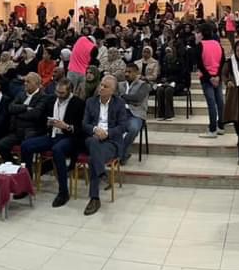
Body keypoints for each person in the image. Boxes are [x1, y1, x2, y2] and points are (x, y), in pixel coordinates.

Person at [20, 78, 85, 206]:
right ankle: (26, 184)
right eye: (57, 92)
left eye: (62, 93)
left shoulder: (78, 103)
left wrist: (67, 126)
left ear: (69, 91)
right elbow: (42, 118)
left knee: (57, 149)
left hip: (69, 138)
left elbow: (81, 129)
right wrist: (47, 123)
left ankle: (63, 192)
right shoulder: (51, 100)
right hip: (52, 135)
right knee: (26, 146)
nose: (59, 95)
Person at [82, 76, 129, 216]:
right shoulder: (90, 102)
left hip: (111, 142)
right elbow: (84, 124)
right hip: (93, 139)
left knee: (93, 159)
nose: (101, 88)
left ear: (113, 91)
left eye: (105, 86)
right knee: (93, 142)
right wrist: (95, 130)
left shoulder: (119, 103)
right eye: (101, 85)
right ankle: (101, 173)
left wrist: (107, 133)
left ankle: (95, 199)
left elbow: (123, 126)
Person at [0, 72, 51, 166]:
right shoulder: (21, 94)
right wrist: (25, 107)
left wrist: (17, 113)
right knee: (0, 145)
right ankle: (14, 165)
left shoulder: (43, 97)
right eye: (25, 81)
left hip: (32, 131)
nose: (25, 84)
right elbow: (11, 108)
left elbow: (35, 114)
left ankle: (27, 171)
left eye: (28, 82)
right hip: (17, 130)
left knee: (26, 147)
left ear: (36, 84)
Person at [197, 24, 226, 138]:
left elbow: (200, 64)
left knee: (211, 104)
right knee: (220, 102)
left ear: (202, 33)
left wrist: (210, 77)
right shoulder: (218, 44)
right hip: (217, 77)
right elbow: (223, 61)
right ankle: (221, 127)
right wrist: (217, 76)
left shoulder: (200, 45)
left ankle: (212, 129)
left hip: (206, 78)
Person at [118, 66, 150, 164]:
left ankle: (120, 154)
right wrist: (128, 99)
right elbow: (115, 97)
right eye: (126, 72)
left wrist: (122, 96)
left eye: (130, 72)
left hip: (136, 114)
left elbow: (138, 99)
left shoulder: (144, 85)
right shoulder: (120, 84)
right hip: (121, 113)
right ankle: (121, 155)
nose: (127, 74)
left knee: (133, 129)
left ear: (136, 73)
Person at [154, 45, 186, 121]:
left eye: (169, 52)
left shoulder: (179, 62)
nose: (168, 54)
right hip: (165, 83)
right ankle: (161, 114)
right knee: (160, 90)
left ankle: (169, 114)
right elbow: (160, 75)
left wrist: (169, 80)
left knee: (168, 90)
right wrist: (162, 80)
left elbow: (181, 75)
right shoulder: (163, 62)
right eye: (166, 52)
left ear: (173, 52)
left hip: (177, 83)